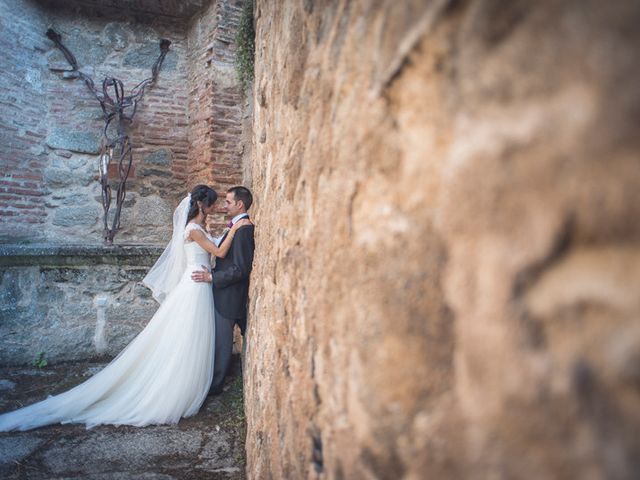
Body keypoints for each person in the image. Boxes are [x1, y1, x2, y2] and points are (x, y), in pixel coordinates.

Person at [0, 185, 250, 431]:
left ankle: (192, 384)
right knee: (185, 337)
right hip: (196, 285)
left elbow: (214, 245)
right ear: (200, 204)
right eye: (213, 203)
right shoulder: (193, 229)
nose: (216, 207)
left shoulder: (199, 228)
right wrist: (236, 227)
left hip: (200, 284)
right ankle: (175, 388)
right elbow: (218, 250)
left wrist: (232, 229)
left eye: (222, 203)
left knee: (193, 337)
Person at [191, 186, 255, 395]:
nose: (224, 206)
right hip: (220, 292)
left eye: (228, 202)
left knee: (222, 344)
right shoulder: (235, 226)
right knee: (217, 341)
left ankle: (215, 386)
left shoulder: (244, 229)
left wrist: (212, 277)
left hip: (229, 295)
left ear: (240, 205)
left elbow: (241, 269)